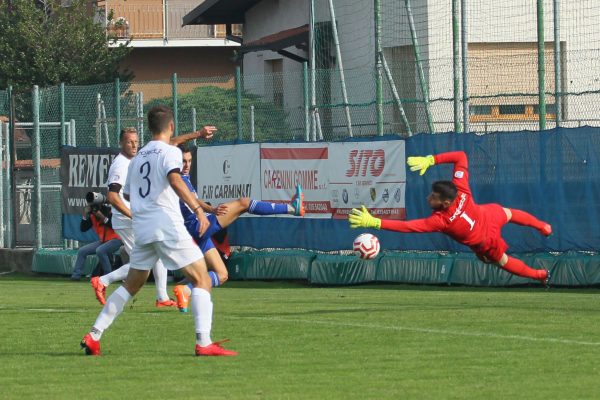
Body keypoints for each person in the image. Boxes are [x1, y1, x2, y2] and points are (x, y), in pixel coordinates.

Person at [80, 105, 236, 356]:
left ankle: (94, 335)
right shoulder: (170, 152)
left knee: (131, 286)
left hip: (142, 227)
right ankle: (204, 342)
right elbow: (175, 180)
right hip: (166, 225)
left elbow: (129, 193)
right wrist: (198, 210)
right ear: (171, 126)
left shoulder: (138, 158)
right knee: (202, 279)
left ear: (150, 129)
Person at [348, 151, 552, 285]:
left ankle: (539, 275)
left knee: (502, 261)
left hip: (484, 240)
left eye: (433, 197)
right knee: (509, 213)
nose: (429, 198)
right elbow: (461, 157)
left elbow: (408, 227)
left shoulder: (441, 221)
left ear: (445, 203)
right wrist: (431, 160)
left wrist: (375, 222)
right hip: (487, 215)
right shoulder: (460, 190)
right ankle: (543, 226)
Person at [91, 126, 214, 307]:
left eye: (135, 141)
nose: (133, 145)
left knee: (153, 258)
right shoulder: (120, 163)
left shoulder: (138, 158)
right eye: (128, 142)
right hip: (128, 220)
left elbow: (170, 143)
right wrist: (133, 215)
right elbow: (112, 196)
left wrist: (198, 134)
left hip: (138, 218)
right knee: (142, 266)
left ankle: (162, 297)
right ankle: (103, 281)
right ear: (121, 143)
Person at [172, 144, 304, 312]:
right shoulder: (177, 179)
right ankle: (292, 208)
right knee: (244, 203)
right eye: (183, 161)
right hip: (197, 226)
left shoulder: (183, 178)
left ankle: (186, 290)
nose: (187, 165)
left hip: (198, 232)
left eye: (189, 161)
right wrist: (211, 209)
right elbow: (192, 200)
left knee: (222, 274)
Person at [70, 200, 122, 280]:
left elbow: (113, 225)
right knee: (82, 251)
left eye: (96, 207)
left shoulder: (109, 211)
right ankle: (76, 275)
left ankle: (108, 276)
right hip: (103, 241)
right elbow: (83, 229)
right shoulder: (93, 216)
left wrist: (102, 216)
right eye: (93, 207)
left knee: (100, 250)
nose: (94, 209)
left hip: (117, 239)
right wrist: (85, 214)